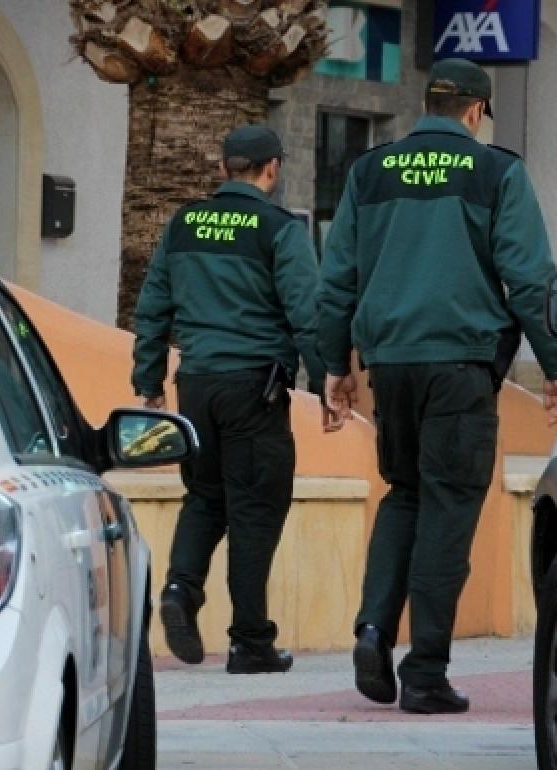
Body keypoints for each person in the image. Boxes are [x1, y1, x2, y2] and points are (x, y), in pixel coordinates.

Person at [318, 58, 557, 714]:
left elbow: (337, 278)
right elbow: (528, 277)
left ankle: (373, 629)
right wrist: (555, 365)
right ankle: (425, 672)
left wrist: (333, 368)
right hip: (461, 365)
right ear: (475, 112)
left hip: (391, 365)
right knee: (450, 507)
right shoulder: (497, 172)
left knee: (404, 494)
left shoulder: (369, 171)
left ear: (427, 104)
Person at [131, 124, 338, 675]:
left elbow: (153, 307)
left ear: (223, 169)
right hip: (254, 388)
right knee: (256, 509)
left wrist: (148, 380)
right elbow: (306, 314)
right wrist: (328, 383)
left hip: (195, 383)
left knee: (205, 496)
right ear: (272, 169)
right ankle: (250, 641)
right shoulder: (277, 229)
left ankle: (180, 589)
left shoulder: (183, 225)